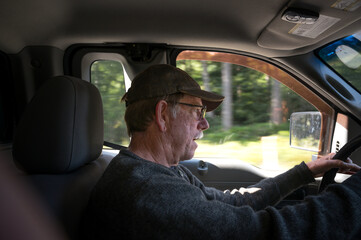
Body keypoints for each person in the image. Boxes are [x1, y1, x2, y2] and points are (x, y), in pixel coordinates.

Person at [82, 64, 361, 239]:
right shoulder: (147, 192)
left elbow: (233, 206)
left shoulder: (161, 172)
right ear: (163, 115)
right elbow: (258, 232)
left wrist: (306, 171)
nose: (204, 123)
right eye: (198, 111)